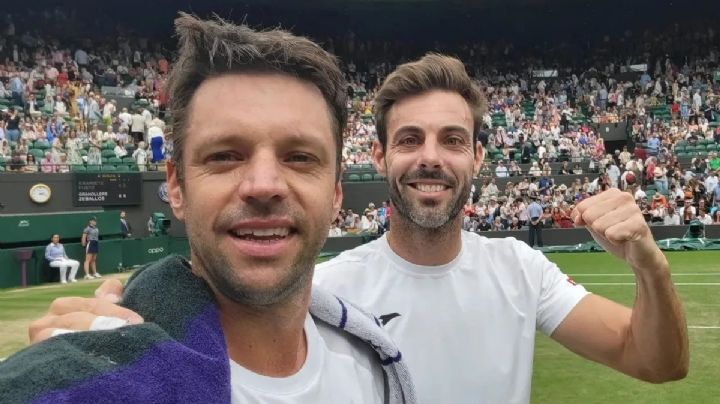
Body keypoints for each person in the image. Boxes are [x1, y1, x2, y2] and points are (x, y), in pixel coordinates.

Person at [23, 41, 688, 404]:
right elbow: (180, 343)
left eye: (453, 140)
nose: (431, 157)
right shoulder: (323, 299)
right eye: (411, 139)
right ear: (377, 158)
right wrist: (113, 327)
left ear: (479, 157)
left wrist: (649, 266)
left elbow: (655, 362)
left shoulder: (520, 268)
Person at [1, 14, 414, 404]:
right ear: (175, 186)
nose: (264, 186)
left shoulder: (372, 366)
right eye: (225, 156)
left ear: (337, 192)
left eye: (300, 157)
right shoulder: (88, 381)